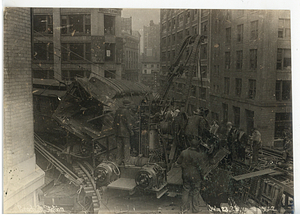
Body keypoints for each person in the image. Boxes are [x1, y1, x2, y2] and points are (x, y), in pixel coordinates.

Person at [176, 138, 207, 213]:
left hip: (186, 174)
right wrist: (203, 178)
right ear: (197, 146)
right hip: (196, 176)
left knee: (186, 190)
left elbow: (178, 162)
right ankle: (195, 209)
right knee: (195, 192)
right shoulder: (199, 155)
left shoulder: (184, 152)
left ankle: (184, 209)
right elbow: (202, 169)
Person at [113, 99, 134, 165]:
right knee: (126, 147)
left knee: (119, 147)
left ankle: (117, 162)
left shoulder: (118, 111)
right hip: (125, 133)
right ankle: (127, 162)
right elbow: (128, 123)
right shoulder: (126, 111)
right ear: (128, 104)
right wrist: (131, 131)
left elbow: (114, 122)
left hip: (118, 133)